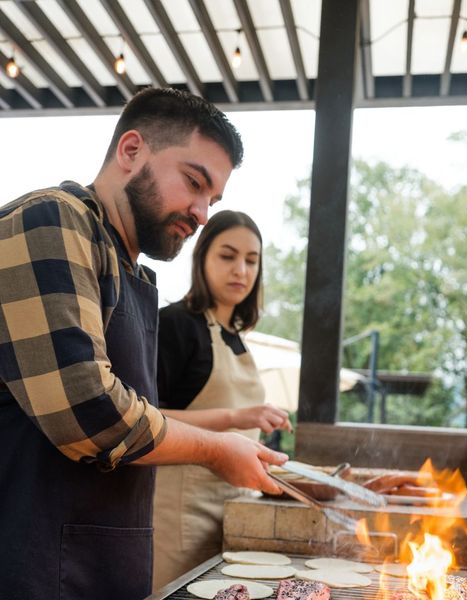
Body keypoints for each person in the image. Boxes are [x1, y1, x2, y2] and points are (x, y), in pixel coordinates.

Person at [0, 87, 287, 600]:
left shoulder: (135, 273)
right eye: (194, 183)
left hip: (106, 567)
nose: (202, 214)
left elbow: (141, 418)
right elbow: (88, 412)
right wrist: (216, 449)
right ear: (131, 151)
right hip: (35, 568)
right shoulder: (48, 221)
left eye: (213, 200)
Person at [152, 210, 293, 589]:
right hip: (180, 517)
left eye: (251, 260)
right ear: (202, 259)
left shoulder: (236, 335)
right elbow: (146, 418)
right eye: (227, 256)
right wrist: (236, 416)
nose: (241, 271)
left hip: (234, 511)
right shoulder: (177, 325)